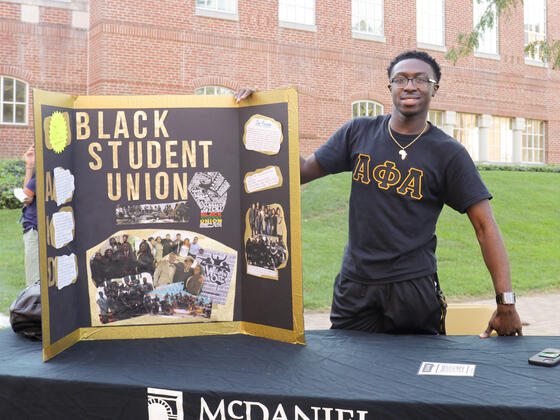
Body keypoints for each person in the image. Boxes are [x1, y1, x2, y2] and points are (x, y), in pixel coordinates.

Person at [234, 50, 522, 337]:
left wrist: (505, 303)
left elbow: (485, 227)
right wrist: (262, 116)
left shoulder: (448, 153)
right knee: (348, 371)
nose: (410, 86)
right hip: (355, 285)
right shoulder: (359, 132)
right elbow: (303, 171)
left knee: (413, 375)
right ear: (390, 87)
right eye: (401, 79)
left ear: (435, 88)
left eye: (420, 79)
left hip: (413, 288)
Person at [21, 144, 39, 287]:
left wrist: (30, 166)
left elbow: (25, 198)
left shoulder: (44, 171)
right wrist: (30, 166)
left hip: (35, 228)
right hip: (39, 228)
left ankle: (33, 309)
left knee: (34, 283)